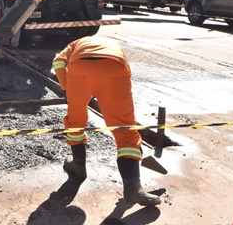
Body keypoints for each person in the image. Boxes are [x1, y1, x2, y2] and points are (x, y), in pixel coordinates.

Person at [51, 36, 161, 206]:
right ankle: (133, 189)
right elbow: (126, 69)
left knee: (76, 122)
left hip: (80, 70)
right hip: (115, 68)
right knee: (125, 129)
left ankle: (78, 168)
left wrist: (67, 87)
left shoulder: (74, 45)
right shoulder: (112, 45)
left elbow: (58, 62)